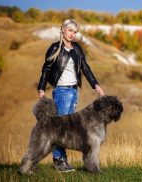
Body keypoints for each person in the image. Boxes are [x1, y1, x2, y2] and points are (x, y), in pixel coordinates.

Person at [37, 19, 104, 172]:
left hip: (73, 92)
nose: (72, 34)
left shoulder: (77, 49)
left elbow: (85, 68)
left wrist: (95, 84)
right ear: (63, 30)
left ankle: (62, 160)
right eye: (70, 31)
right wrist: (41, 88)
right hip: (61, 91)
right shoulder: (55, 48)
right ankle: (59, 160)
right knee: (62, 127)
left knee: (66, 127)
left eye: (75, 32)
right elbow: (46, 70)